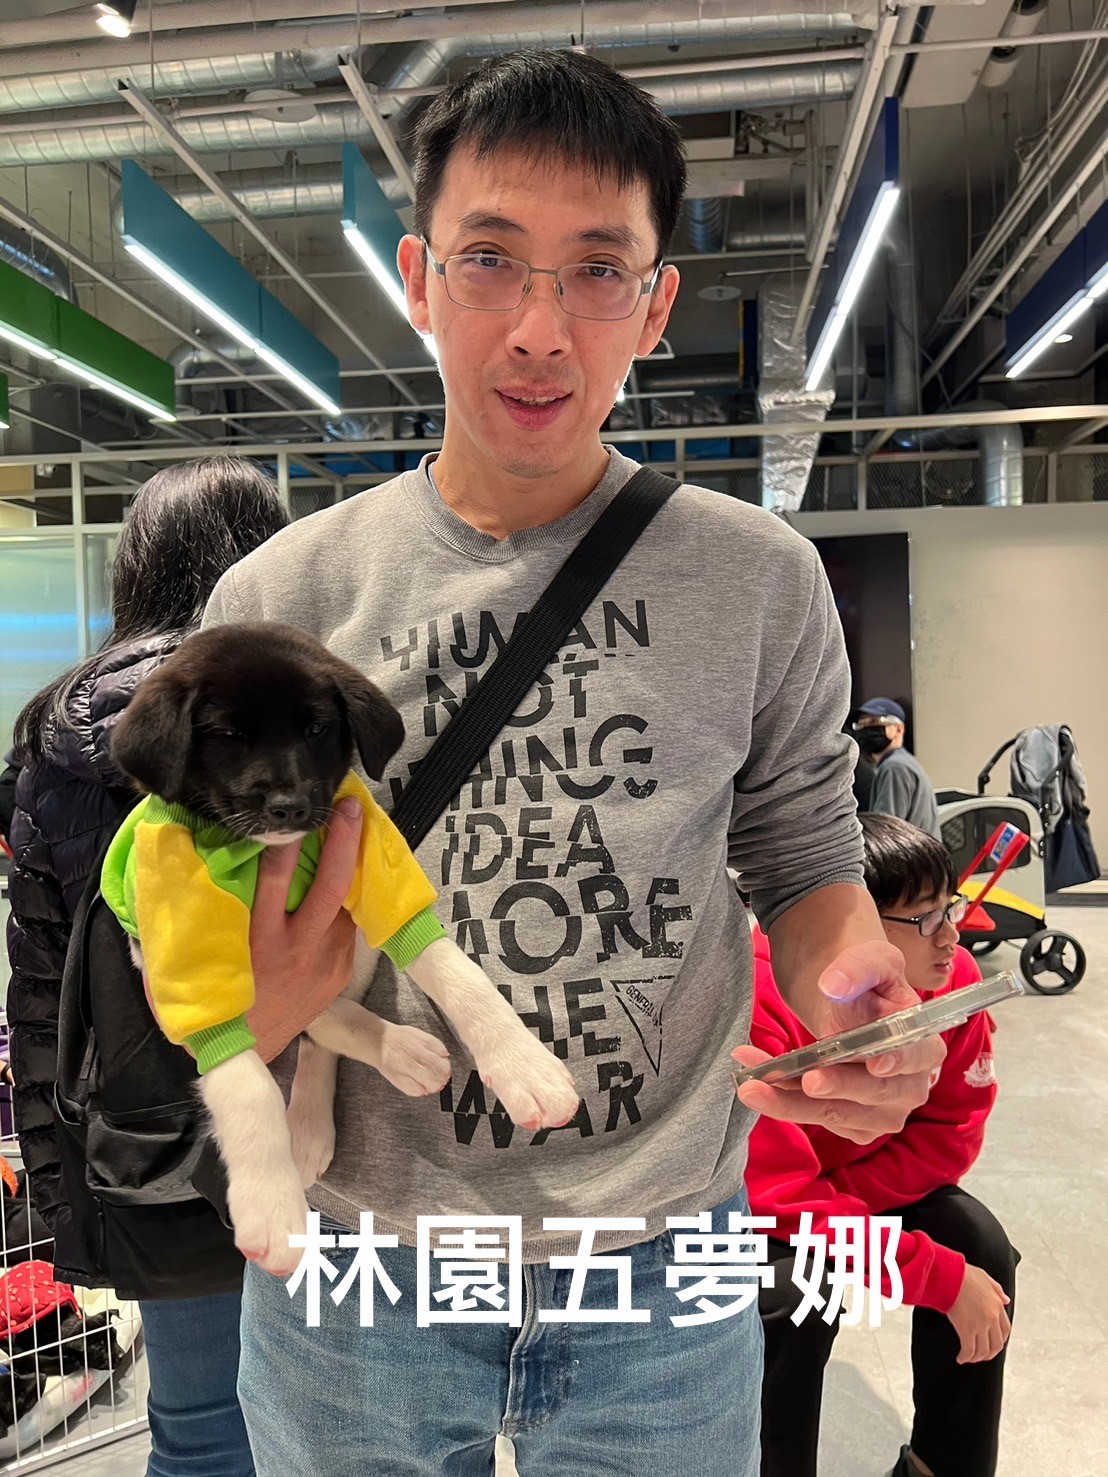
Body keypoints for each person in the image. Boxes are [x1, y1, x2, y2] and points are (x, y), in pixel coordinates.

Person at [202, 51, 944, 1476]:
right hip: (359, 1248)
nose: (540, 329)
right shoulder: (282, 599)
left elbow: (805, 856)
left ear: (655, 306)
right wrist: (254, 1007)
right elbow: (198, 909)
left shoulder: (759, 579)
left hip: (660, 1256)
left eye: (598, 270)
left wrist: (856, 989)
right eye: (490, 259)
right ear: (419, 281)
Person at [5, 456, 290, 1477]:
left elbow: (41, 986)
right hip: (319, 1122)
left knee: (200, 1430)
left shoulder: (57, 742)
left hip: (150, 1144)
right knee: (363, 1427)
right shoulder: (305, 715)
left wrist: (61, 1186)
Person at [748, 812, 1018, 1477]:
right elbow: (771, 1195)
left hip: (843, 1189)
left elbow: (951, 1133)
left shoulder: (952, 984)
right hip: (769, 1211)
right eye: (924, 918)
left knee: (978, 1243)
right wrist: (932, 1275)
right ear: (853, 925)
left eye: (949, 907)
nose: (951, 936)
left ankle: (939, 1465)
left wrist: (848, 1203)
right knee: (794, 1294)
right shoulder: (759, 997)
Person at [855, 697, 941, 839]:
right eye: (861, 724)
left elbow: (884, 831)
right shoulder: (903, 762)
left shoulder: (895, 767)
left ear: (899, 729)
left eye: (875, 722)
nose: (866, 729)